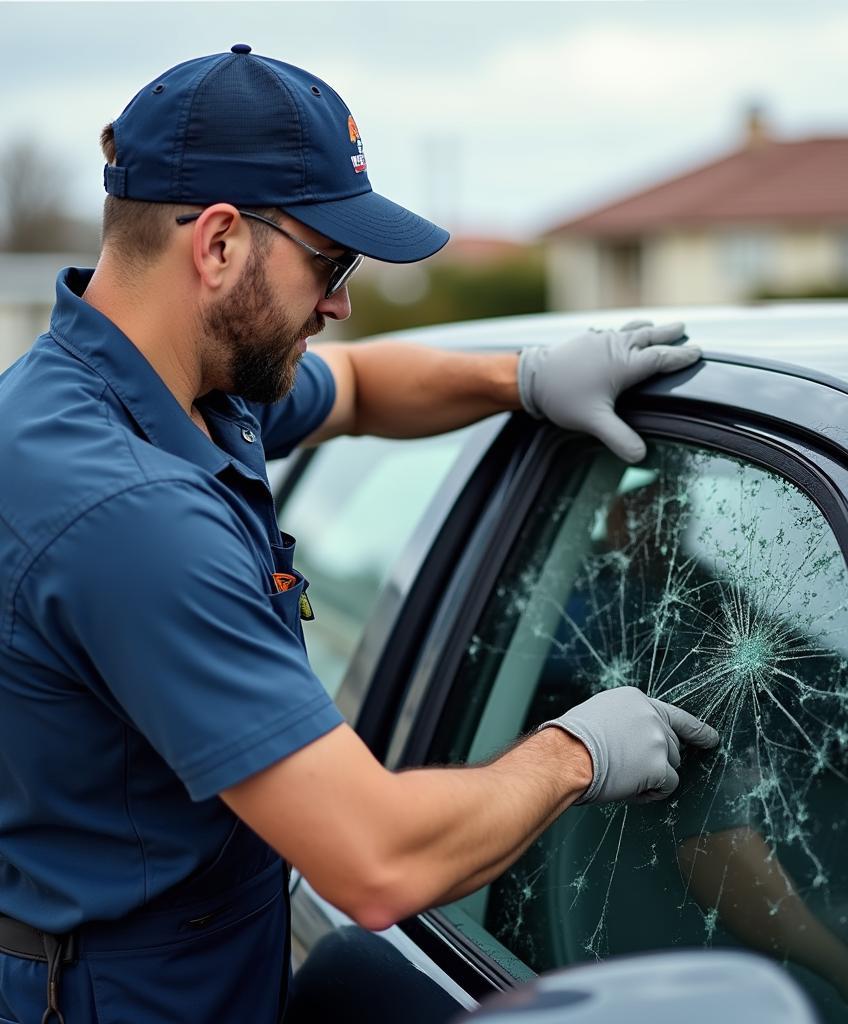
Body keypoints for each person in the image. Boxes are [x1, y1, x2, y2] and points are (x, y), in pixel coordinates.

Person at [0, 46, 715, 1024]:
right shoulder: (129, 516)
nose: (339, 304)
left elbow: (364, 386)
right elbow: (377, 861)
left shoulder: (150, 383)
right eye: (329, 264)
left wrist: (527, 376)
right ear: (215, 246)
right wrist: (577, 751)